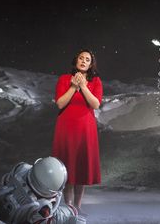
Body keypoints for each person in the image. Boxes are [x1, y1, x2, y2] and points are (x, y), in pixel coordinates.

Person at [52, 49, 102, 213]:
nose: (83, 61)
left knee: (81, 167)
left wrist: (83, 86)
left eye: (87, 59)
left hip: (85, 128)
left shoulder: (96, 81)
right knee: (67, 167)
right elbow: (60, 104)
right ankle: (68, 207)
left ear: (90, 64)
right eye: (81, 58)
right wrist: (73, 86)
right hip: (66, 128)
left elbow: (95, 104)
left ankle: (77, 208)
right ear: (75, 61)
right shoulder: (64, 79)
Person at [0, 157, 86, 224]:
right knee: (59, 216)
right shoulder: (44, 206)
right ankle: (72, 212)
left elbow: (5, 180)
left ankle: (72, 212)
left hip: (1, 211)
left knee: (61, 215)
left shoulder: (21, 168)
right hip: (23, 218)